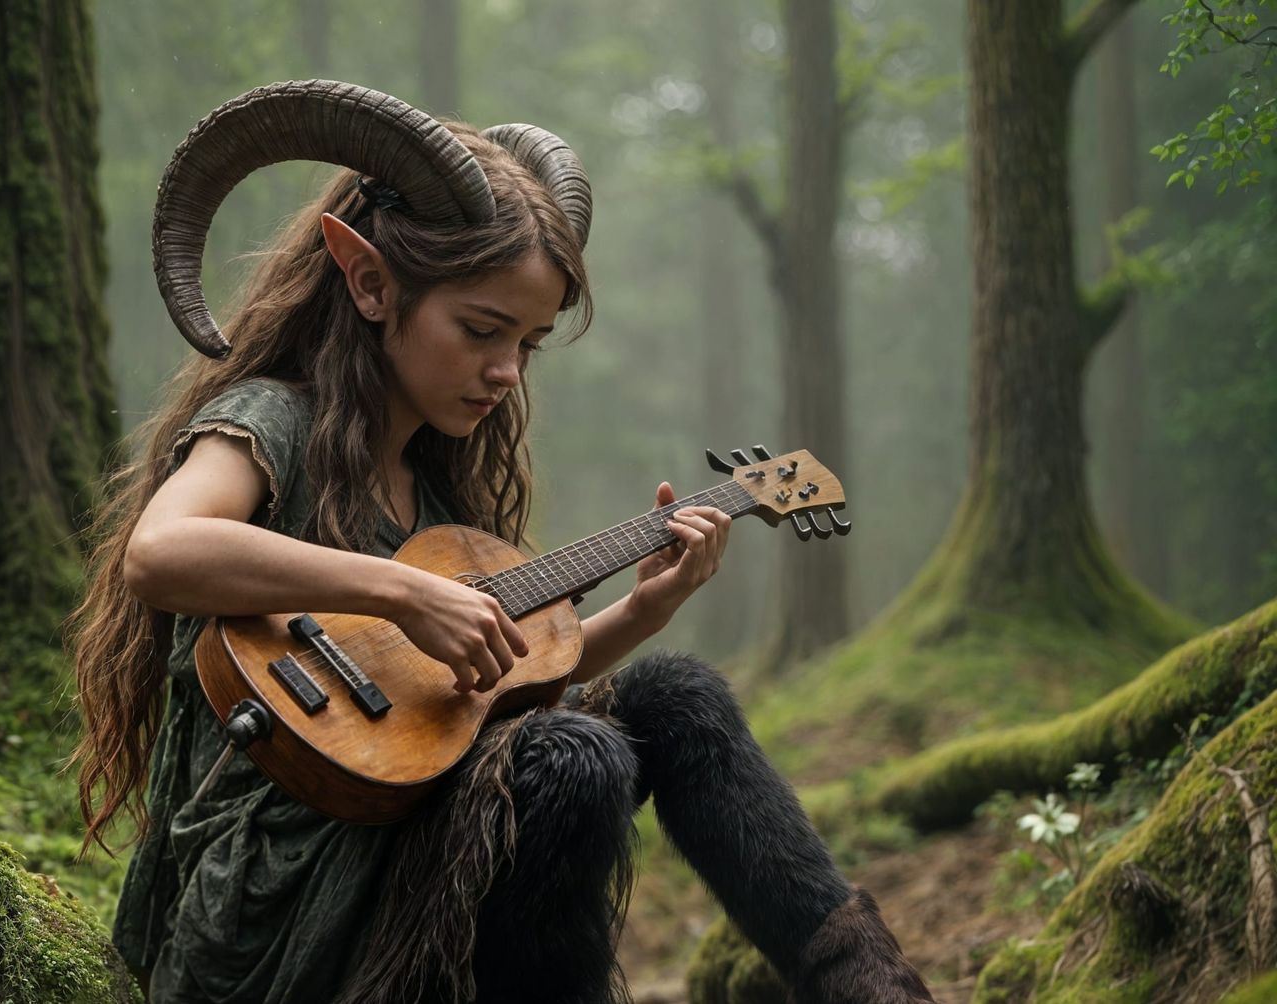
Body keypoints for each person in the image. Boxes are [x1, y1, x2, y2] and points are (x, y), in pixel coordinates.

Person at [69, 81, 933, 1004]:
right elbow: (161, 553)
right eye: (481, 330)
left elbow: (489, 700)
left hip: (413, 846)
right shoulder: (271, 422)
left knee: (676, 696)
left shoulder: (437, 490)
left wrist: (644, 609)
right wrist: (400, 593)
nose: (505, 371)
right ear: (367, 281)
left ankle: (870, 988)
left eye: (528, 341)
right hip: (278, 900)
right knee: (572, 759)